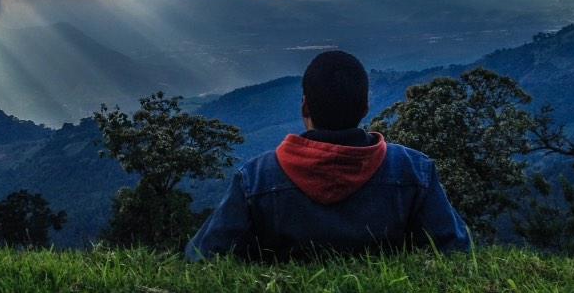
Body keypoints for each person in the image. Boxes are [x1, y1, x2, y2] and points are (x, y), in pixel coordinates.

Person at [185, 50, 470, 261]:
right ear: (365, 107)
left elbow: (202, 258)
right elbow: (456, 253)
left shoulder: (256, 179)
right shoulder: (413, 171)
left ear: (305, 107)